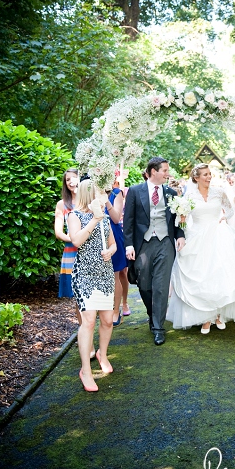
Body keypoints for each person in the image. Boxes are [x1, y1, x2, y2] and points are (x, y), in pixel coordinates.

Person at [167, 164, 235, 333]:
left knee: (219, 274)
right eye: (205, 174)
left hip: (219, 236)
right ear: (196, 177)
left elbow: (230, 211)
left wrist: (224, 217)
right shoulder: (189, 195)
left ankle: (219, 314)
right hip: (196, 236)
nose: (209, 177)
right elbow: (183, 220)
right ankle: (206, 317)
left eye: (210, 174)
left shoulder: (219, 192)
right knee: (202, 275)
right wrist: (182, 221)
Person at [123, 157, 186, 345]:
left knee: (161, 285)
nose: (168, 174)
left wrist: (180, 235)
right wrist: (129, 245)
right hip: (143, 243)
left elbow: (177, 219)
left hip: (165, 242)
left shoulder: (171, 193)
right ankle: (153, 314)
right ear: (153, 172)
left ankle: (159, 327)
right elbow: (129, 221)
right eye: (165, 171)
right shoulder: (135, 191)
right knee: (144, 284)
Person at [67, 179, 117, 392]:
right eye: (98, 192)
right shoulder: (74, 215)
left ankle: (102, 354)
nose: (102, 196)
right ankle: (85, 371)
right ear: (90, 194)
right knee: (88, 322)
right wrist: (95, 219)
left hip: (105, 274)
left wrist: (111, 251)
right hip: (85, 275)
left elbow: (113, 242)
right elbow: (76, 241)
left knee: (107, 320)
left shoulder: (105, 217)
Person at [53, 169, 80, 320]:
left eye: (74, 178)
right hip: (71, 251)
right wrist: (73, 238)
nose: (70, 182)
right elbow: (58, 232)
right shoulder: (62, 204)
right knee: (78, 295)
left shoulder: (89, 201)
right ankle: (83, 329)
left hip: (89, 249)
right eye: (67, 180)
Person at [106, 174, 129, 325]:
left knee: (119, 272)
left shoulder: (117, 193)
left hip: (114, 234)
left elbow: (115, 218)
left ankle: (120, 307)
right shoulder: (90, 191)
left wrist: (105, 201)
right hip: (97, 235)